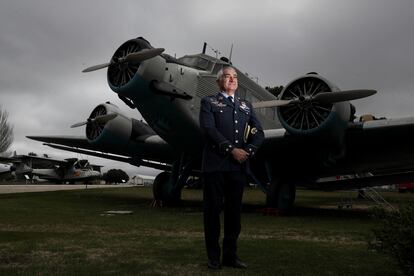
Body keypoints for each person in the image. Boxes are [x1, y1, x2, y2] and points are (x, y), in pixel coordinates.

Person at [199, 66, 264, 269]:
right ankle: (214, 258)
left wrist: (248, 152)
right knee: (212, 213)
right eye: (227, 76)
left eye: (235, 77)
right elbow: (208, 129)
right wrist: (231, 150)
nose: (232, 80)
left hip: (237, 169)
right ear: (219, 81)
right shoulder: (208, 102)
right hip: (215, 167)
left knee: (234, 216)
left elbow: (259, 133)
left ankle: (230, 256)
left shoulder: (246, 106)